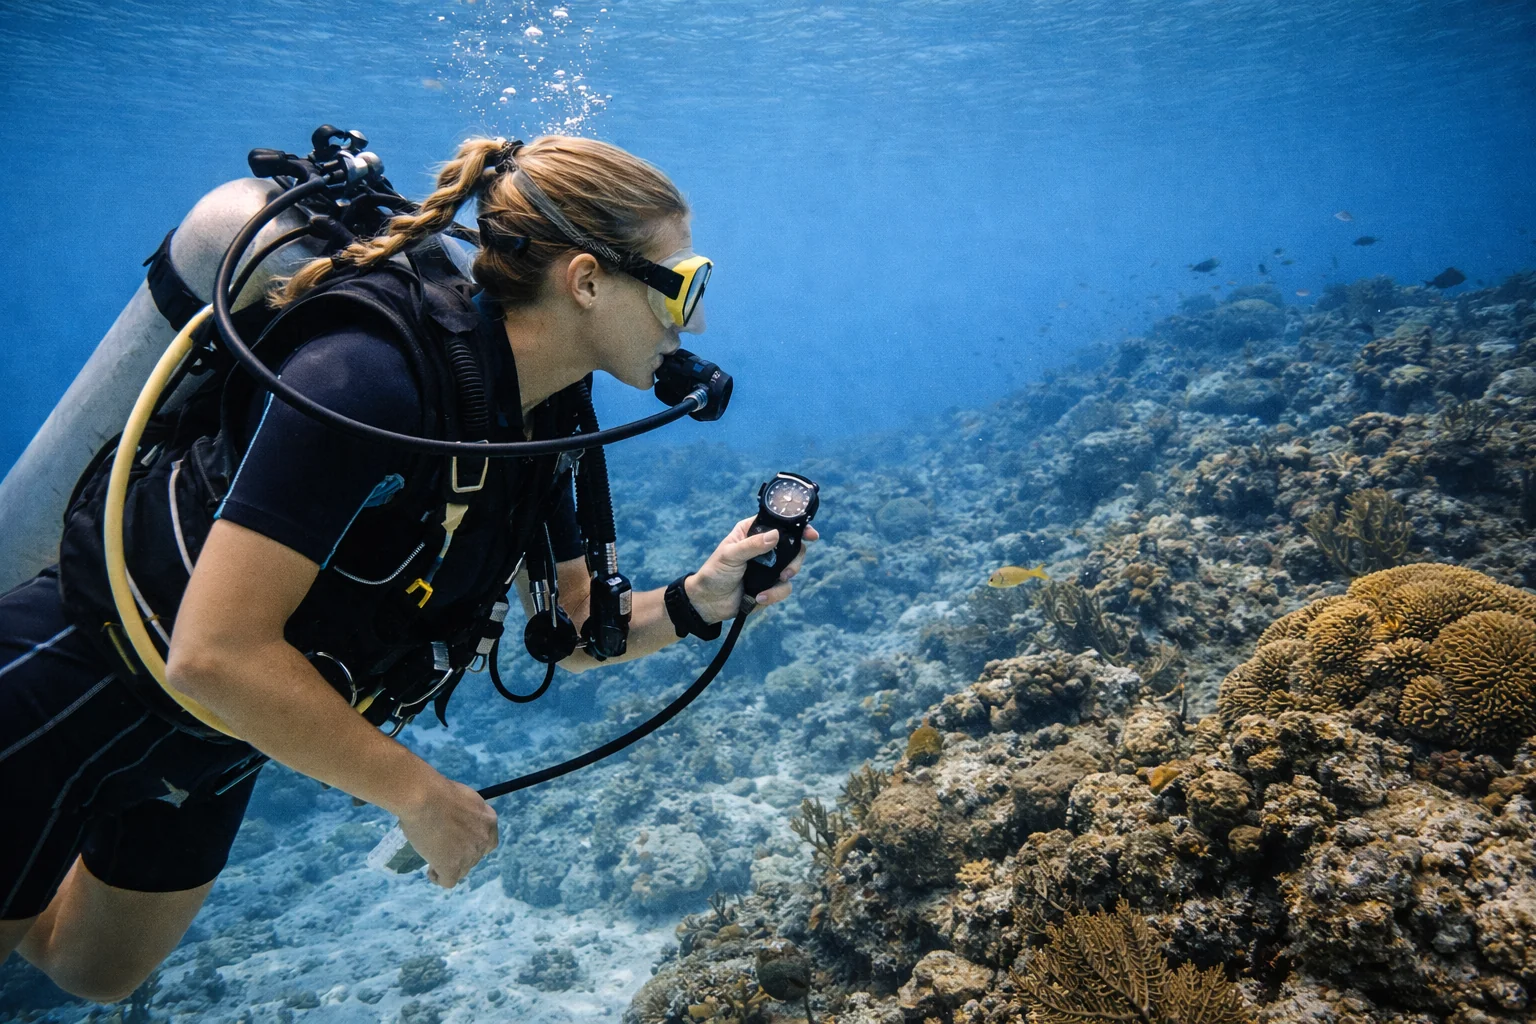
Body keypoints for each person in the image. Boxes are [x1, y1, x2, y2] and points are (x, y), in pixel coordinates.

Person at [0, 134, 817, 1002]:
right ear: (585, 280)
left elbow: (573, 632)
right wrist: (420, 796)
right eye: (685, 288)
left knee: (96, 975)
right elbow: (215, 651)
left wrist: (703, 597)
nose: (694, 326)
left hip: (222, 739)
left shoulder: (541, 418)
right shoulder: (370, 380)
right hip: (76, 685)